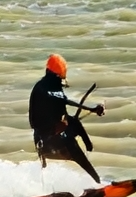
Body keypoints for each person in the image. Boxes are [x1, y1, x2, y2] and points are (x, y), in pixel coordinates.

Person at [30, 54, 104, 183]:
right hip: (46, 140)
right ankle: (97, 181)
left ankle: (89, 150)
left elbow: (62, 104)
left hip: (52, 133)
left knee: (74, 122)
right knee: (71, 143)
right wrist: (91, 108)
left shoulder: (50, 86)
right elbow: (65, 101)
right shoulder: (44, 89)